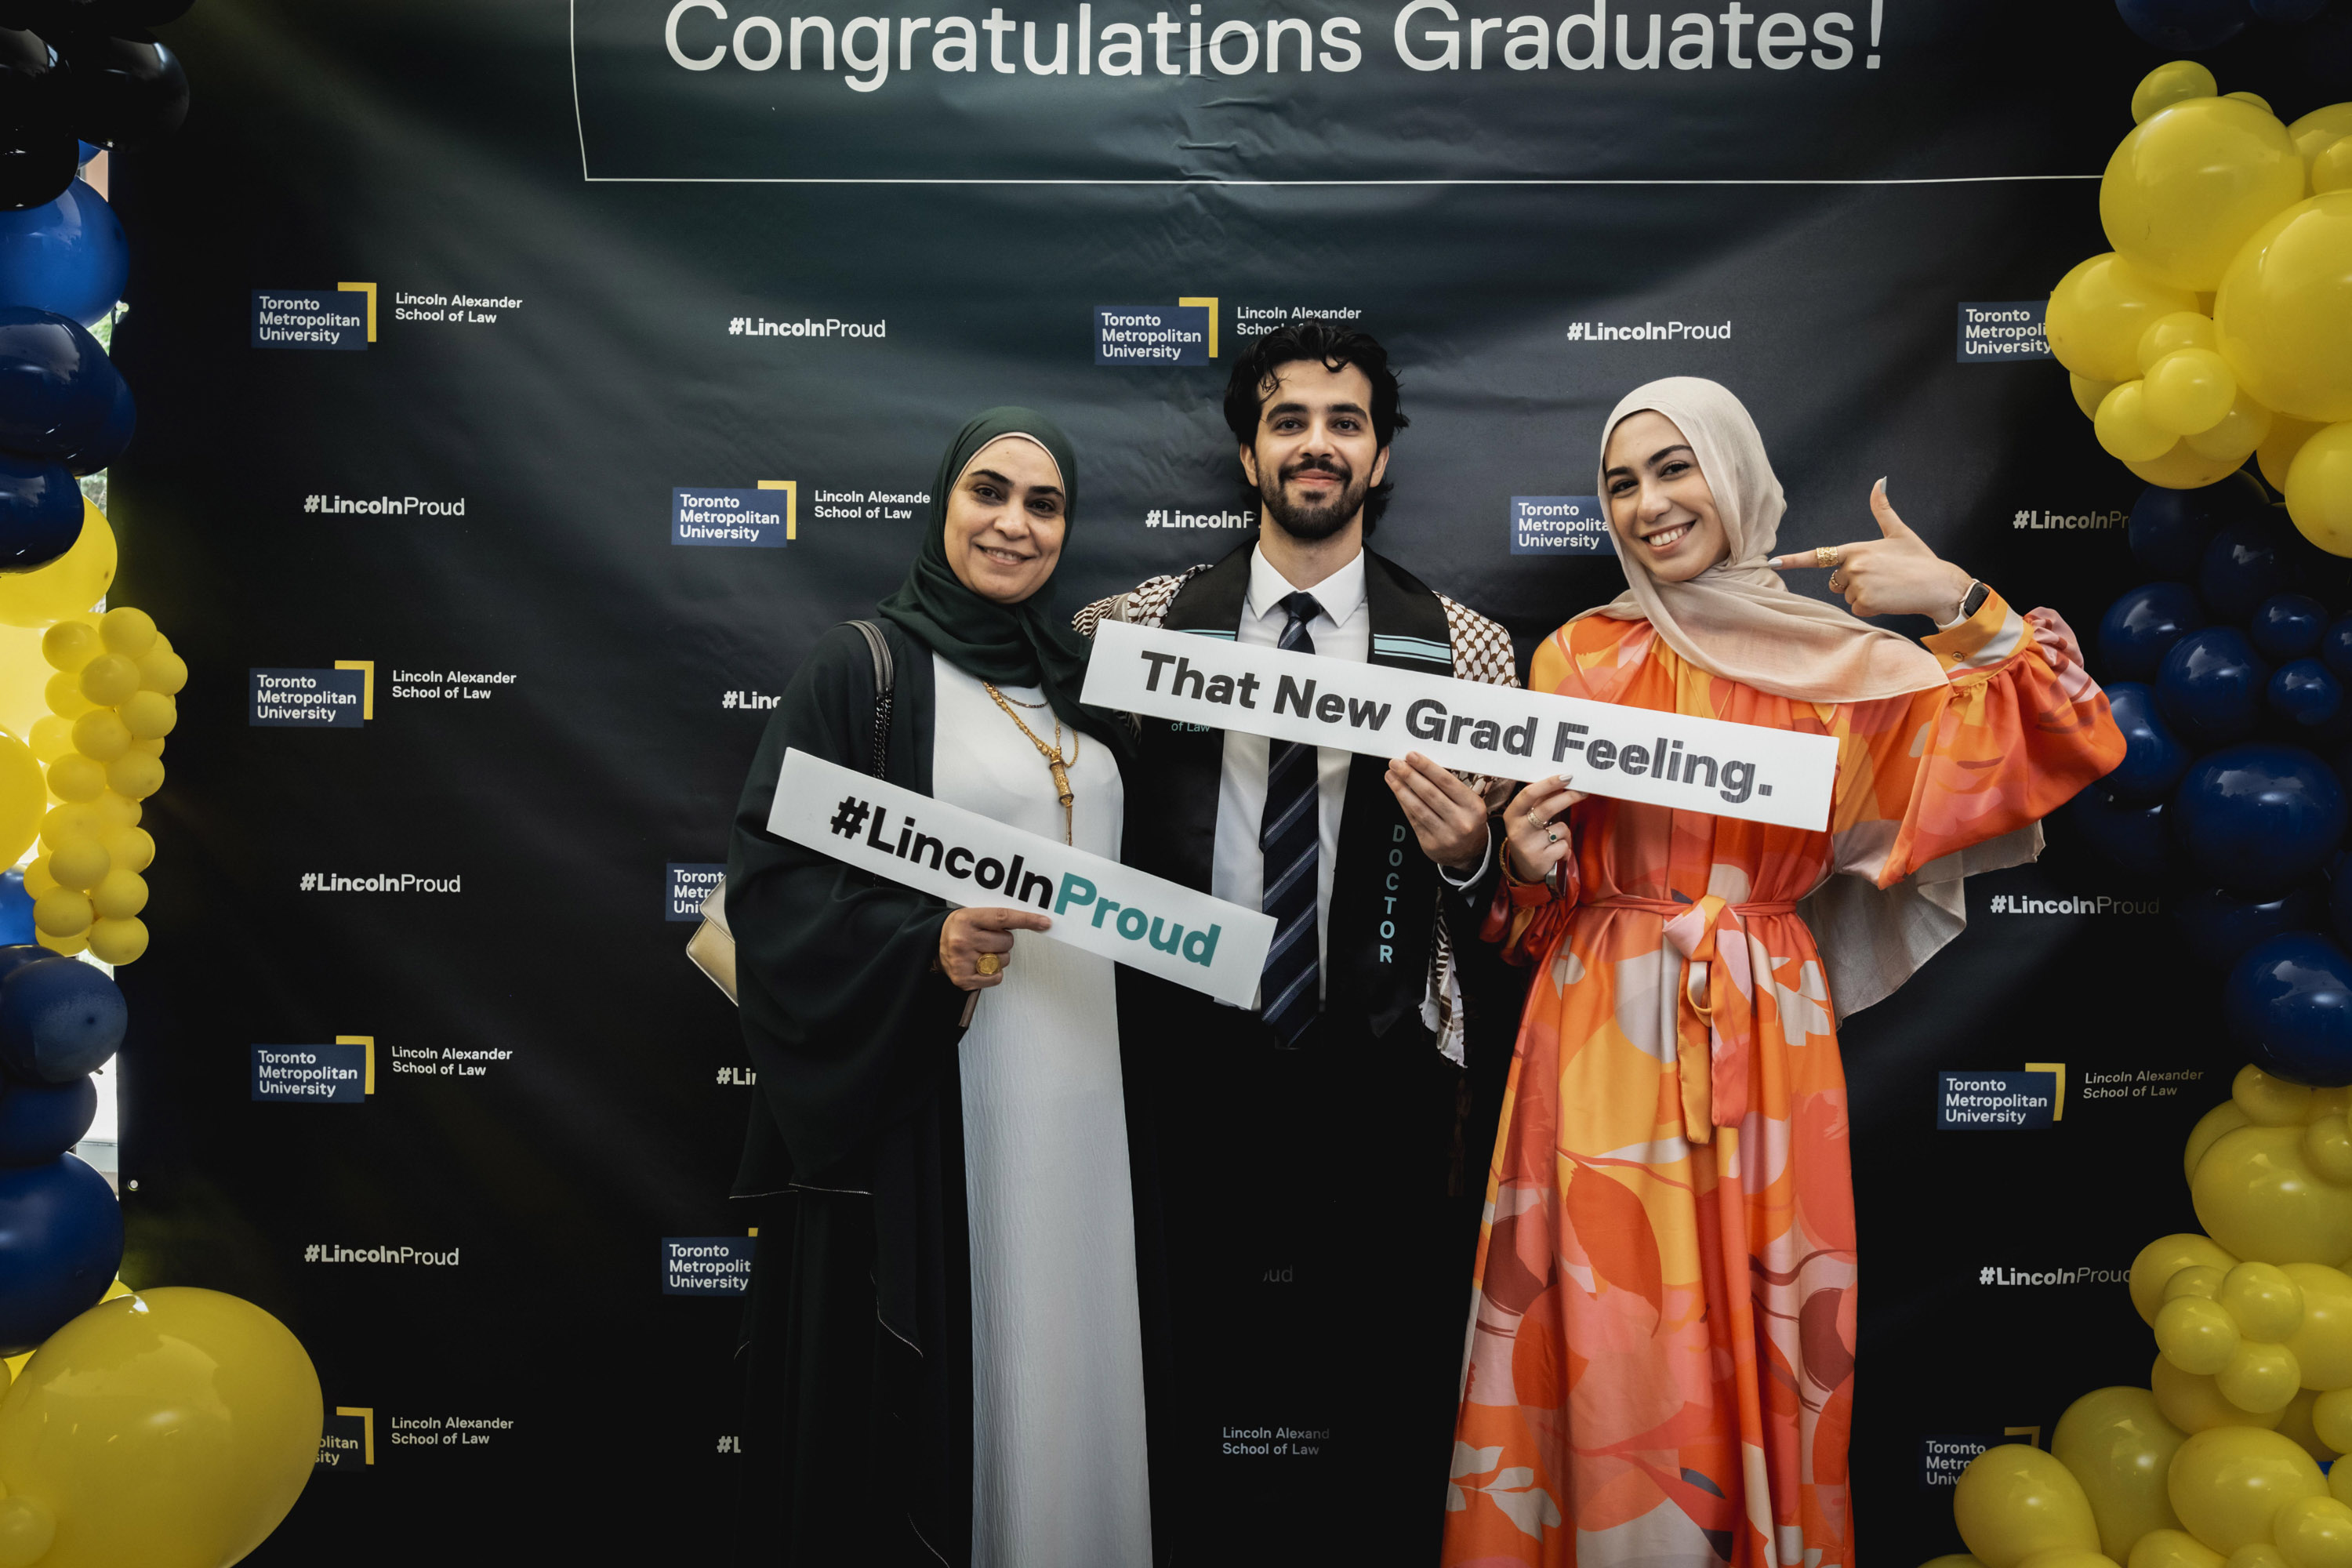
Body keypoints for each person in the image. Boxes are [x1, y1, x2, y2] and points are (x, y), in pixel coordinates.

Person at [1442, 378, 2125, 1566]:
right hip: (1599, 1027)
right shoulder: (1578, 656)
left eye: (1676, 466)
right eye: (1622, 481)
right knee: (1610, 1339)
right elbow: (1527, 927)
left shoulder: (1852, 669)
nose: (1650, 503)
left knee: (1773, 1339)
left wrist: (1962, 606)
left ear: (1738, 473)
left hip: (1765, 1034)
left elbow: (2070, 735)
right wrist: (1516, 861)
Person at [1074, 321, 1523, 1559]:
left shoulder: (1471, 648)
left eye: (1345, 423)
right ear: (1247, 453)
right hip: (1181, 1053)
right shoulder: (1140, 626)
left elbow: (1505, 895)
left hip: (1379, 1061)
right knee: (1179, 1358)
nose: (1316, 445)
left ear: (1379, 459)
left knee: (1378, 1379)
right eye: (1288, 421)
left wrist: (1468, 854)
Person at [726, 408, 1158, 1568]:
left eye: (1044, 503)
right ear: (942, 505)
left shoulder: (1089, 688)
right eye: (988, 493)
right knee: (972, 1370)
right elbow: (772, 889)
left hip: (1089, 1104)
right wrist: (925, 945)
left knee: (1071, 1364)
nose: (1013, 524)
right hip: (952, 1095)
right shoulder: (863, 667)